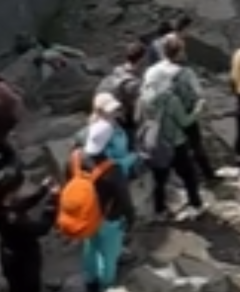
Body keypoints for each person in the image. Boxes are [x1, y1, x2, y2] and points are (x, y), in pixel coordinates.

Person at [64, 122, 136, 292]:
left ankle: (90, 282)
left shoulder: (74, 158)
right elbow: (124, 200)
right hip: (109, 218)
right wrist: (131, 218)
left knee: (90, 248)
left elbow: (68, 182)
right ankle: (106, 289)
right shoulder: (112, 170)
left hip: (85, 216)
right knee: (108, 256)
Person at [136, 59, 205, 220]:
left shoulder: (143, 98)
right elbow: (184, 121)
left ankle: (160, 211)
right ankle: (196, 205)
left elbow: (138, 118)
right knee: (189, 175)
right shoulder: (170, 100)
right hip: (176, 143)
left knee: (160, 180)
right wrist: (198, 110)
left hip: (154, 144)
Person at [142, 34, 216, 183]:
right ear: (179, 53)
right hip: (185, 112)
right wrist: (200, 106)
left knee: (169, 144)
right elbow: (199, 93)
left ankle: (171, 177)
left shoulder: (152, 70)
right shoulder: (185, 73)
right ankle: (207, 175)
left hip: (160, 114)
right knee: (196, 145)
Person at [98, 42, 148, 142]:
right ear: (141, 59)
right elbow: (138, 112)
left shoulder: (117, 71)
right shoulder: (133, 84)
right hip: (124, 122)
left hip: (108, 116)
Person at [83, 92, 139, 177]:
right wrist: (133, 157)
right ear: (100, 111)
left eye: (115, 108)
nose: (115, 110)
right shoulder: (102, 131)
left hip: (122, 164)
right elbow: (109, 163)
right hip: (115, 173)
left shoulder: (113, 121)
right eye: (111, 109)